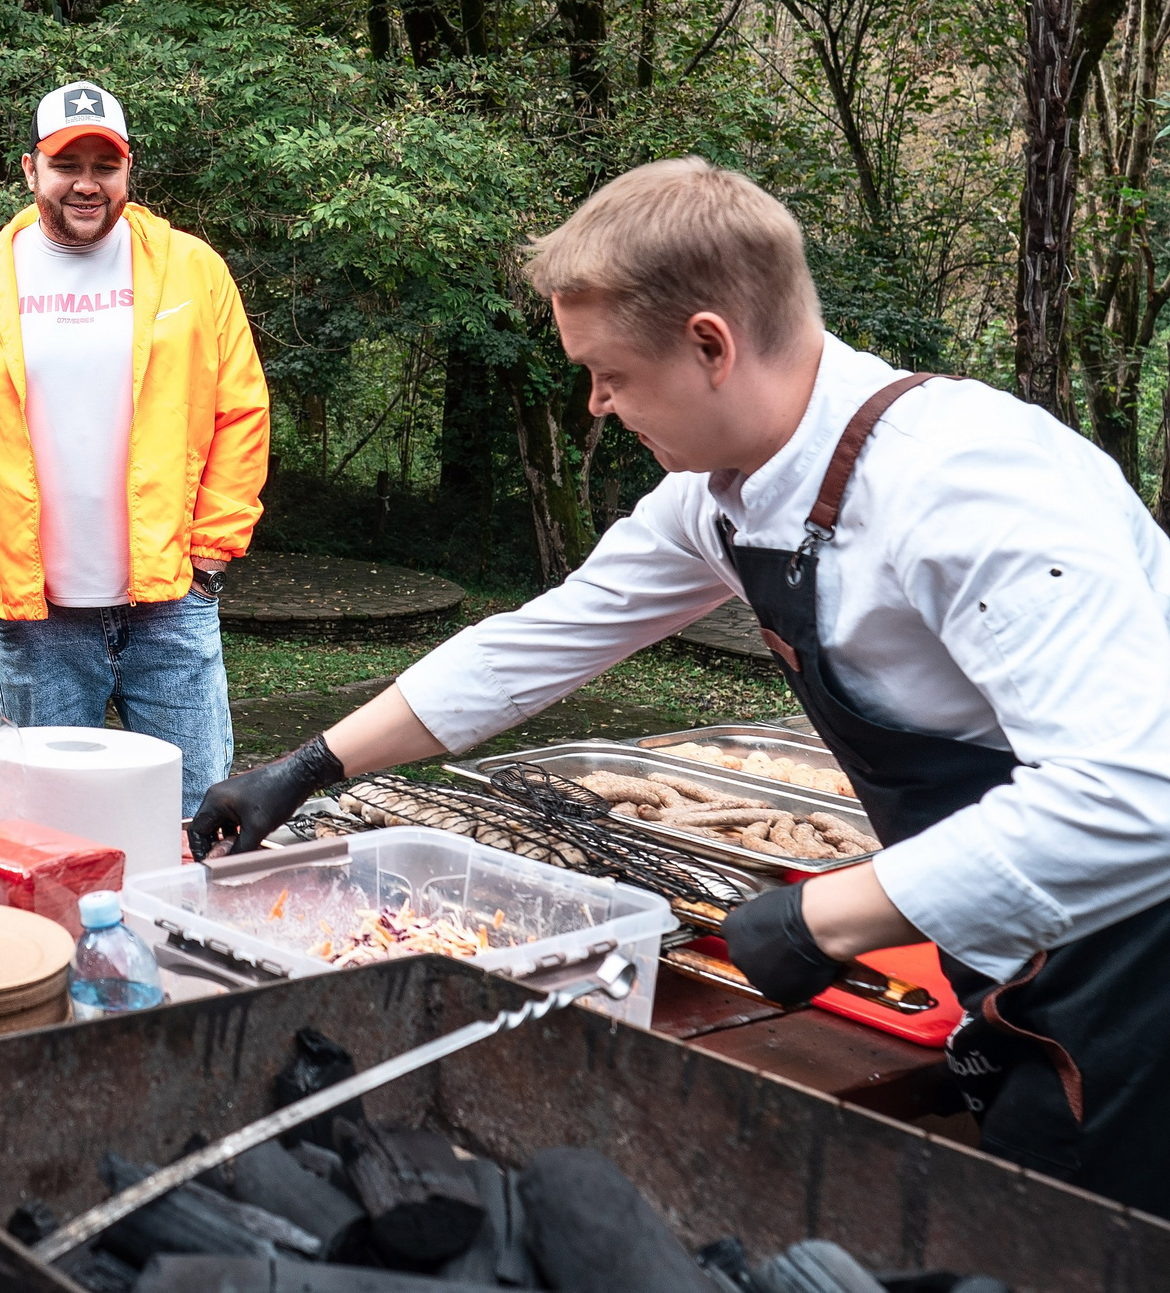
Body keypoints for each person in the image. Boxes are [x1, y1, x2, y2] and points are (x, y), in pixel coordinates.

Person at [188, 157, 1170, 1214]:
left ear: (710, 343)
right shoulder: (719, 495)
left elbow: (1133, 795)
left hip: (1135, 955)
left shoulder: (972, 484)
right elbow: (547, 637)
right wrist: (311, 764)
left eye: (607, 372)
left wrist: (819, 918)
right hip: (1012, 953)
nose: (598, 406)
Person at [0, 80, 271, 814]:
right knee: (48, 825)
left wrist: (210, 556)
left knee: (197, 815)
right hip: (37, 617)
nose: (87, 183)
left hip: (171, 603)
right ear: (30, 169)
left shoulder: (192, 269)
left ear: (127, 170)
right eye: (68, 163)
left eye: (106, 165)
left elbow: (240, 411)